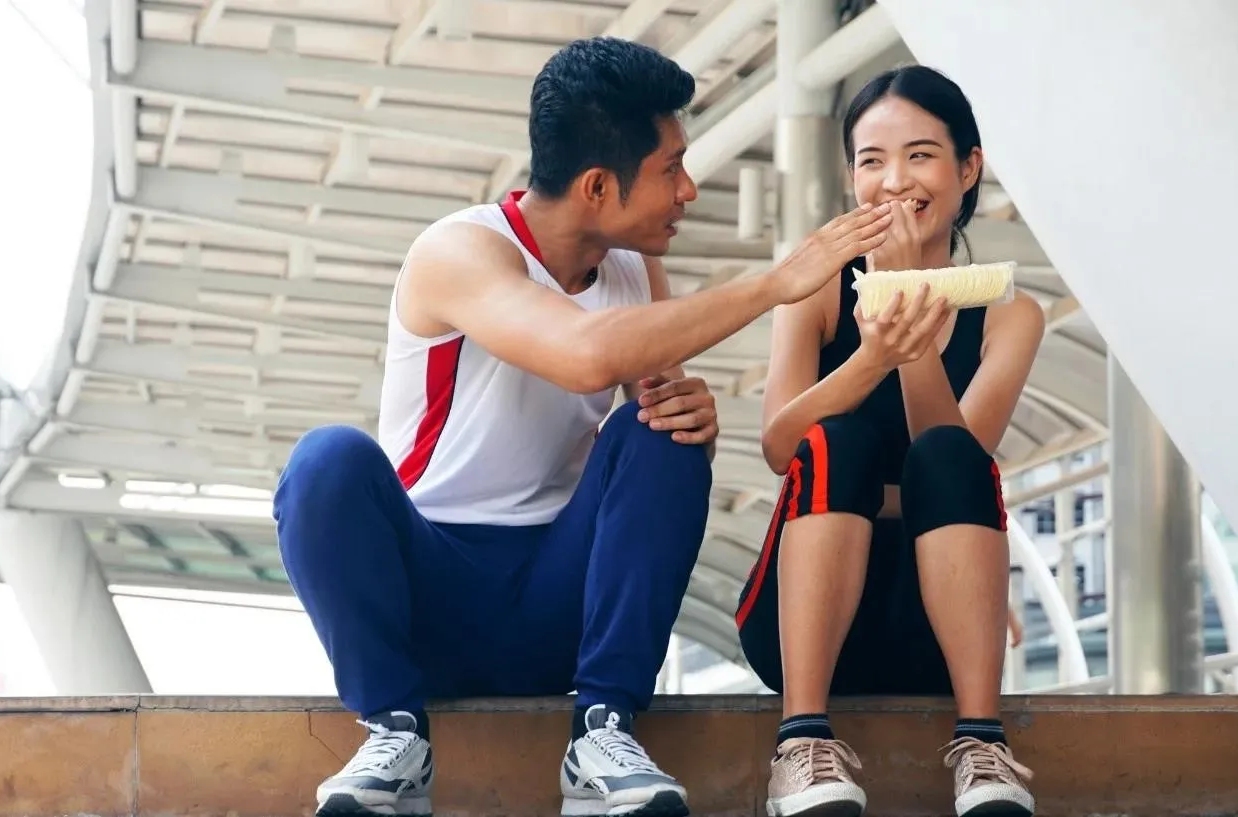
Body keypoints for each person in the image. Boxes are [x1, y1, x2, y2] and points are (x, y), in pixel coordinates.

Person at [274, 36, 897, 817]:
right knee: (325, 460)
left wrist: (686, 414)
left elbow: (645, 415)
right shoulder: (458, 250)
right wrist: (777, 285)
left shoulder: (633, 271)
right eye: (670, 168)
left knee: (662, 431)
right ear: (599, 185)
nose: (689, 190)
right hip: (429, 595)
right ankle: (394, 732)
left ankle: (602, 727)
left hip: (553, 601)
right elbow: (583, 355)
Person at [734, 65, 1045, 817]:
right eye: (871, 161)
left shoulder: (1010, 313)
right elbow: (781, 446)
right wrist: (873, 352)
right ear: (851, 177)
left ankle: (980, 741)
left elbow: (954, 459)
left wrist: (915, 328)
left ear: (968, 168)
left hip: (936, 629)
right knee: (832, 440)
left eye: (920, 155)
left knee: (946, 453)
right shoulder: (814, 287)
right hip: (804, 620)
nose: (893, 179)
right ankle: (800, 740)